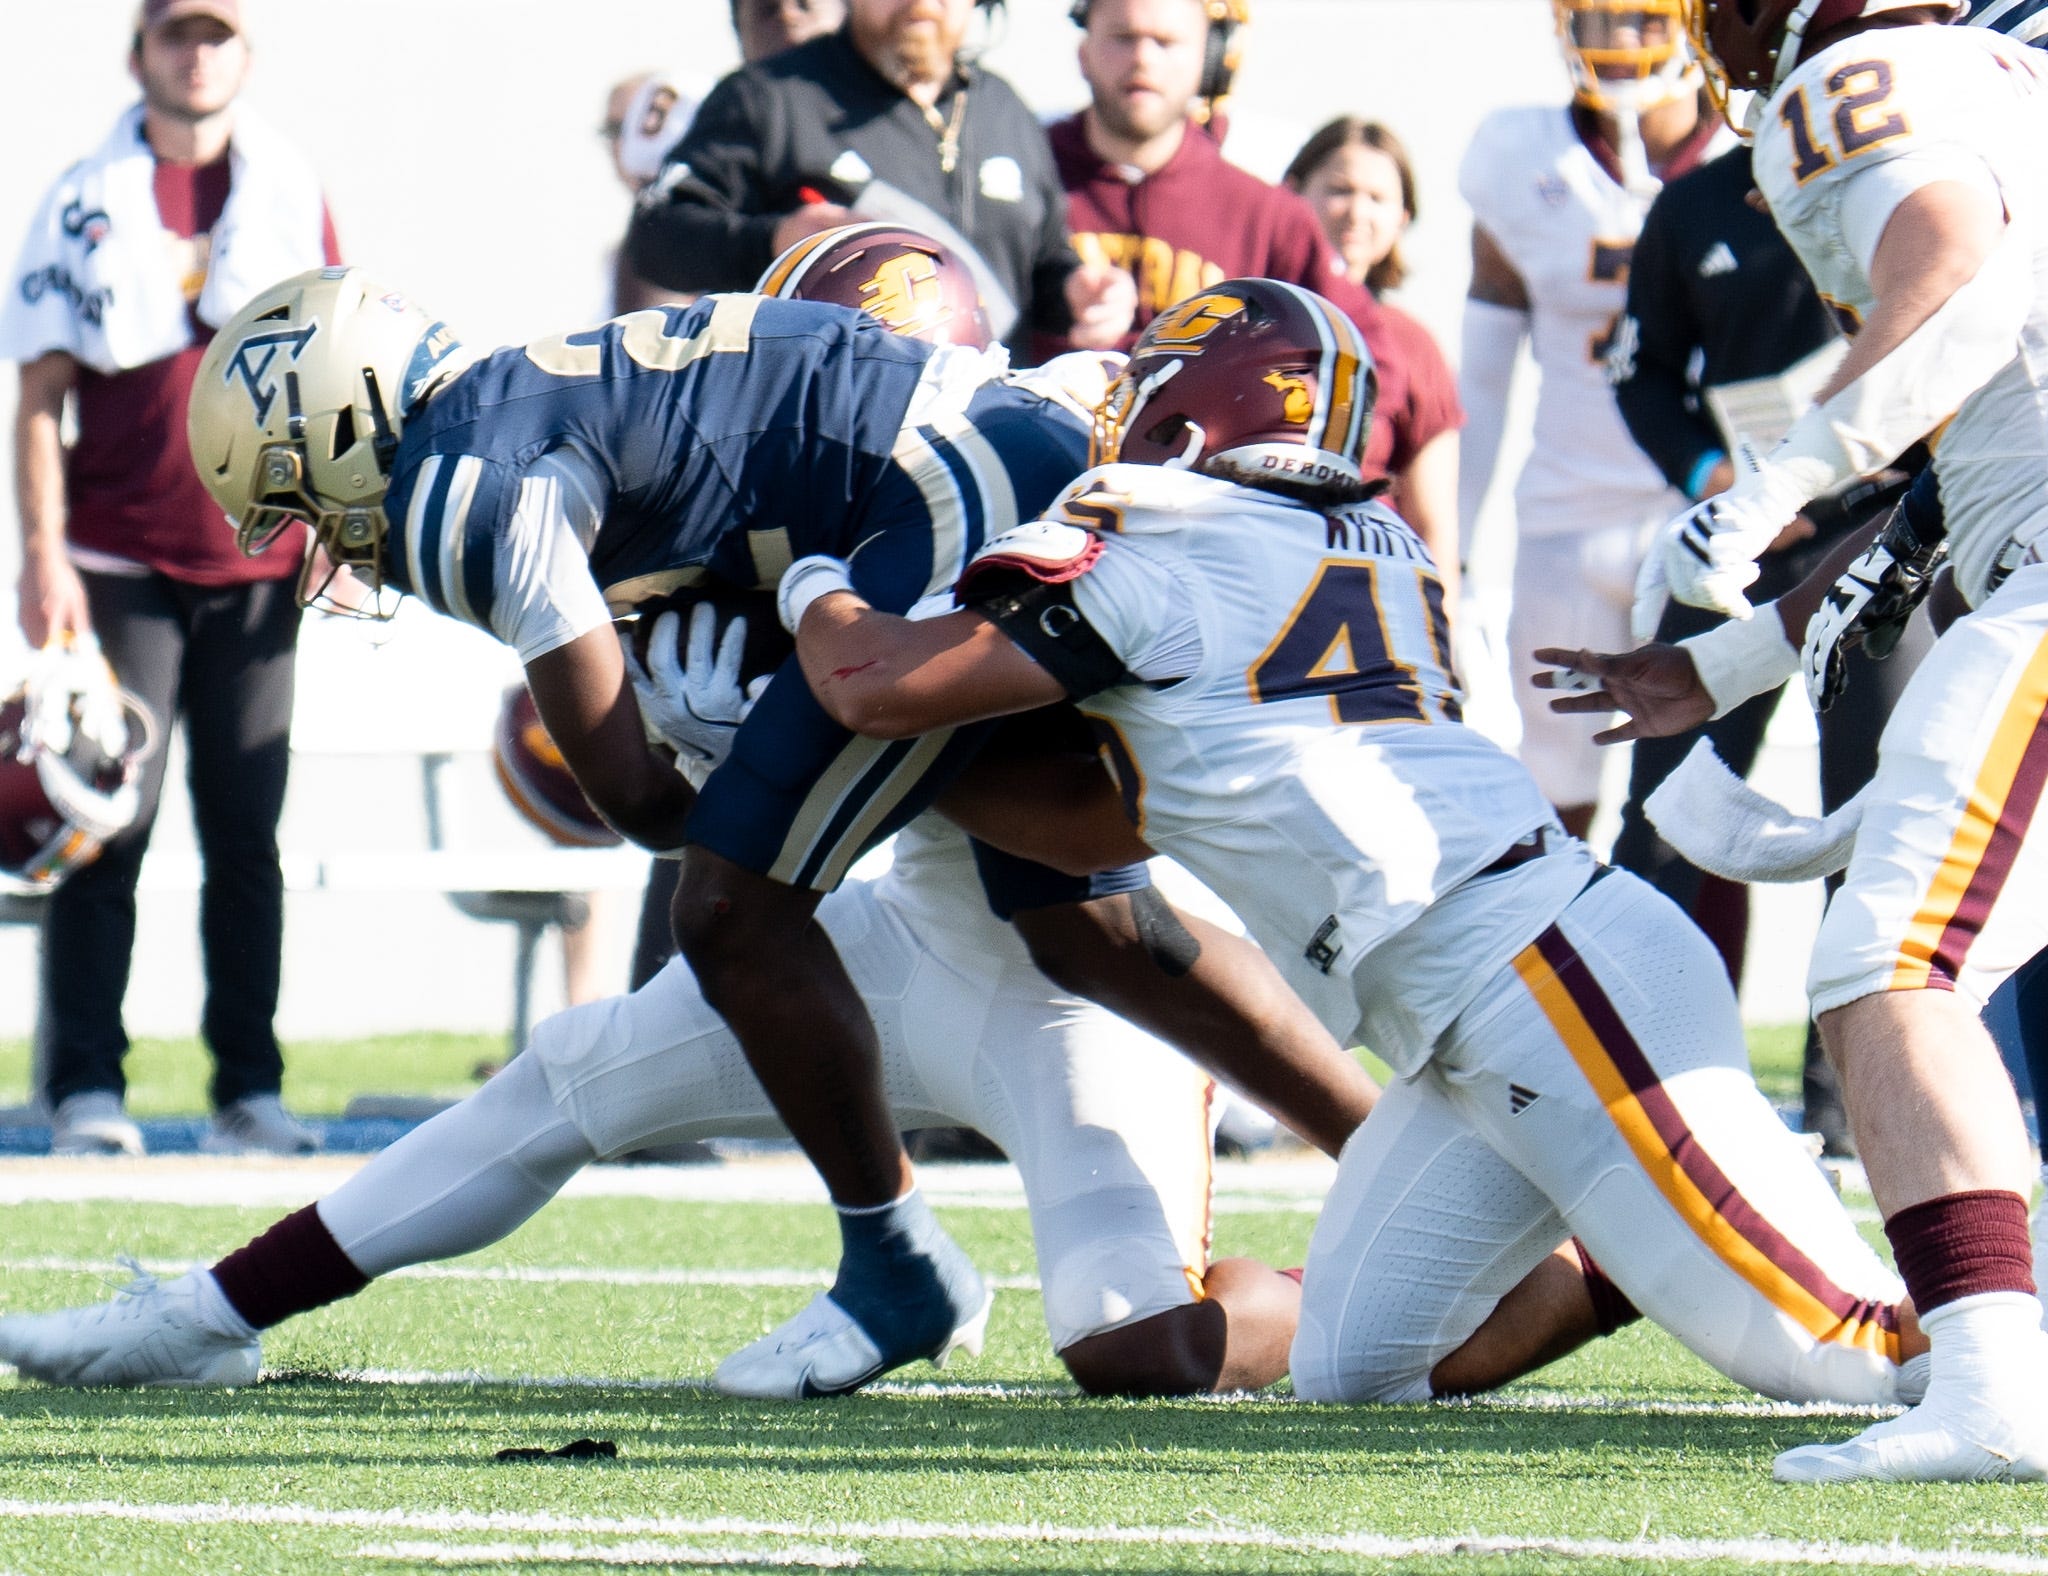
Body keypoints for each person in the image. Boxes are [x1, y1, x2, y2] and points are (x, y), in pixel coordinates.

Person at [182, 263, 1379, 1397]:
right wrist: (743, 737)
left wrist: (715, 750)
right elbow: (972, 796)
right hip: (920, 939)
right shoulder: (637, 431)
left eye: (301, 501)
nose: (325, 545)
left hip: (1064, 986)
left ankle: (916, 1260)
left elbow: (651, 799)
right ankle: (210, 1307)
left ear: (347, 425)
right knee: (613, 1039)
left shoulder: (469, 478)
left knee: (736, 906)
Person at [769, 276, 1929, 1417]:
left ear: (1190, 414)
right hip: (1460, 1015)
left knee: (1859, 1357)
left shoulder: (1152, 529)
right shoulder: (1374, 539)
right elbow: (1093, 824)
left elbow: (873, 682)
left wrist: (813, 571)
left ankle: (1932, 1314)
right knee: (1354, 1364)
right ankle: (1637, 1235)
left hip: (1542, 973)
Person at [0, 815, 1306, 1400]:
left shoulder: (1027, 525)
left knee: (1136, 1348)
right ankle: (209, 1313)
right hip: (907, 932)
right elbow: (665, 804)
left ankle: (1346, 1287)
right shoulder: (807, 518)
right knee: (574, 1066)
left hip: (1088, 988)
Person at [1541, 0, 2048, 1483]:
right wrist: (1733, 659)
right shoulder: (2006, 73)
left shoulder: (1857, 76)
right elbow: (1945, 496)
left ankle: (1990, 1389)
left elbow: (1949, 275)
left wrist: (1769, 485)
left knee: (1888, 963)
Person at [1, 0, 339, 1158]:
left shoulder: (288, 187)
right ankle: (85, 1086)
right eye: (175, 33)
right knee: (108, 824)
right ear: (138, 51)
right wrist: (42, 552)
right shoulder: (82, 198)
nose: (196, 55)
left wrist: (340, 529)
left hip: (259, 563)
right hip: (119, 558)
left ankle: (249, 1088)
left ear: (246, 52)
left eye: (215, 33)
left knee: (245, 833)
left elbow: (338, 369)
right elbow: (39, 396)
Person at [1604, 139, 1929, 1157]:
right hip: (1733, 538)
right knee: (1663, 801)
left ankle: (1849, 1102)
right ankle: (1624, 1070)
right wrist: (1715, 477)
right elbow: (1642, 374)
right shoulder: (1691, 204)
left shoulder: (1902, 175)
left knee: (1864, 809)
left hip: (1878, 527)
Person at [1047, 0, 1461, 588]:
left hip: (1208, 543)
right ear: (1083, 50)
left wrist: (1280, 471)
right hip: (1044, 513)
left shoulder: (1268, 216)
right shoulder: (1021, 176)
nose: (1142, 59)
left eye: (1166, 42)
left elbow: (1365, 371)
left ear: (1210, 58)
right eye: (1122, 37)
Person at [1456, 0, 1729, 834]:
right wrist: (1455, 548)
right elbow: (1483, 381)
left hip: (1712, 513)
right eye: (1600, 19)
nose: (1619, 42)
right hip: (1568, 516)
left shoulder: (1750, 152)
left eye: (1643, 19)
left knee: (1700, 796)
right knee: (1553, 776)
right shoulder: (1522, 154)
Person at [622, 0, 1135, 361]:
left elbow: (1044, 262)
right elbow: (655, 235)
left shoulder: (1006, 111)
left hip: (984, 433)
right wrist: (774, 239)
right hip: (826, 430)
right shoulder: (768, 97)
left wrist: (1079, 292)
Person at [1283, 117, 1463, 606]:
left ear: (1402, 218)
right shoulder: (1246, 315)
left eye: (1377, 198)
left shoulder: (1413, 344)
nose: (1357, 212)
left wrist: (1442, 629)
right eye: (1339, 190)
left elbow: (1432, 522)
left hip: (1365, 598)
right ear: (1291, 193)